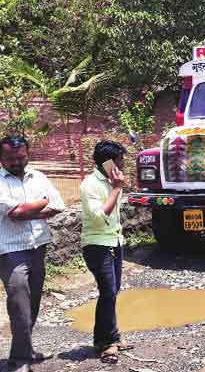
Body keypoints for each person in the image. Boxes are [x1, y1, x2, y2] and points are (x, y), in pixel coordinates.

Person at [0, 134, 65, 372]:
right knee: (19, 305)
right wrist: (41, 203)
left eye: (20, 157)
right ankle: (20, 360)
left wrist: (32, 209)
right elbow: (14, 213)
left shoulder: (39, 177)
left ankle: (26, 350)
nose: (16, 162)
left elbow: (57, 204)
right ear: (1, 157)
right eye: (9, 158)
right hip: (10, 251)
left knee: (33, 302)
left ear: (28, 154)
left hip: (39, 246)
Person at [80, 140, 132, 363]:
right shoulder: (90, 184)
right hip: (97, 243)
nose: (123, 164)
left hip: (114, 241)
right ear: (108, 162)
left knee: (111, 292)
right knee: (108, 291)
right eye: (120, 160)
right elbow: (100, 217)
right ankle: (108, 341)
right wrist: (117, 188)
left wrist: (117, 185)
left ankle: (106, 337)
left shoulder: (111, 180)